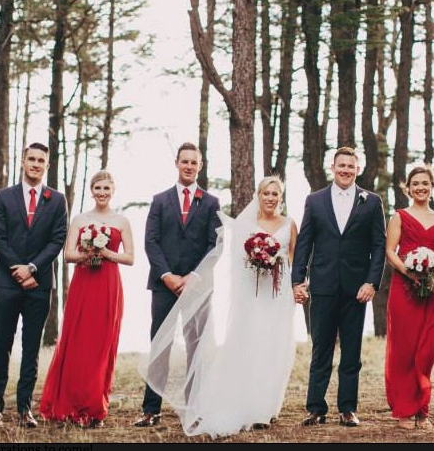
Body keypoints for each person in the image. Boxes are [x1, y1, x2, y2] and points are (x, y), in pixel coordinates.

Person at [140, 176, 299, 437]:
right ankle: (249, 404)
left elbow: (294, 258)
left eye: (275, 194)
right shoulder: (245, 224)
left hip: (278, 294)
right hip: (252, 293)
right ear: (258, 195)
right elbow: (235, 260)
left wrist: (296, 286)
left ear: (281, 197)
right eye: (266, 193)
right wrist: (257, 261)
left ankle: (267, 406)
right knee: (250, 344)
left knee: (275, 347)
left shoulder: (290, 224)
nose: (271, 197)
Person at [292, 147, 387, 428]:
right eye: (341, 165)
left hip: (356, 290)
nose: (346, 170)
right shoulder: (315, 200)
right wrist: (298, 281)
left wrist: (371, 282)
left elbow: (379, 246)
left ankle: (347, 408)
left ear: (357, 169)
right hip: (322, 287)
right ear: (332, 167)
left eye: (351, 166)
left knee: (351, 351)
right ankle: (315, 408)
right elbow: (305, 243)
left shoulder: (371, 202)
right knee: (320, 349)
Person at [134, 142, 222, 428]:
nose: (189, 166)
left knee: (196, 347)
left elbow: (215, 245)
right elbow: (151, 241)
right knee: (160, 345)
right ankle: (151, 409)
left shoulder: (210, 202)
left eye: (194, 162)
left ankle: (194, 407)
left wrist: (193, 276)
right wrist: (167, 275)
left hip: (197, 286)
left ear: (200, 166)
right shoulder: (160, 200)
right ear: (176, 163)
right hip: (164, 286)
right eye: (185, 161)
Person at [0, 143, 68, 429]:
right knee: (2, 345)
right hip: (8, 283)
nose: (35, 164)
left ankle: (24, 410)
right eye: (31, 159)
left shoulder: (57, 200)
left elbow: (57, 240)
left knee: (31, 349)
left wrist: (32, 268)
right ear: (23, 162)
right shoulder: (4, 196)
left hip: (40, 284)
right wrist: (18, 270)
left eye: (40, 160)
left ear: (47, 165)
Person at [39, 170, 134, 427]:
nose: (102, 193)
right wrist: (88, 252)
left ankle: (94, 408)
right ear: (92, 191)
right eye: (97, 188)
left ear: (112, 190)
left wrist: (105, 252)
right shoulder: (80, 219)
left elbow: (130, 258)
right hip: (84, 284)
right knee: (78, 342)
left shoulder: (122, 221)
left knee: (102, 345)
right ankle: (70, 405)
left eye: (106, 188)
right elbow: (68, 254)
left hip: (108, 286)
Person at [384, 166, 434, 430]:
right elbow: (390, 251)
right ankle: (403, 409)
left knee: (427, 348)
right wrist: (409, 272)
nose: (420, 187)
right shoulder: (399, 217)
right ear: (408, 188)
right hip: (404, 289)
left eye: (425, 183)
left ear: (432, 186)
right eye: (415, 184)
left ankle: (422, 410)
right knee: (404, 348)